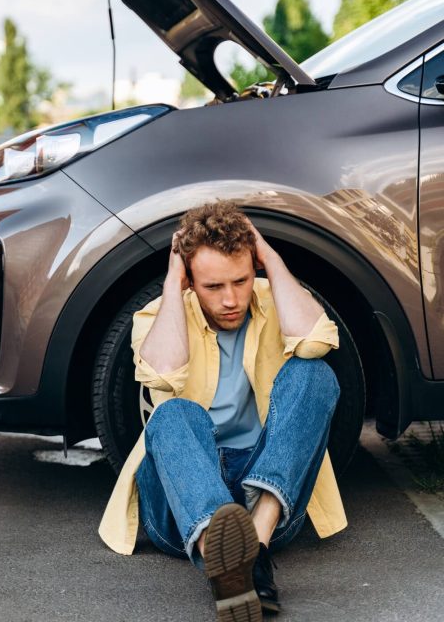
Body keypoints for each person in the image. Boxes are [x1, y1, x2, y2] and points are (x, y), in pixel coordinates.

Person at [99, 200, 346, 619]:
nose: (231, 299)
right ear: (192, 282)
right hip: (183, 503)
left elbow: (317, 339)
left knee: (315, 374)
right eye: (213, 287)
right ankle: (219, 544)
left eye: (241, 280)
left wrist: (268, 254)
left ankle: (253, 552)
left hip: (267, 492)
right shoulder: (159, 313)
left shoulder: (274, 300)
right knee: (175, 413)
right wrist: (173, 279)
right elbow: (160, 374)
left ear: (255, 271)